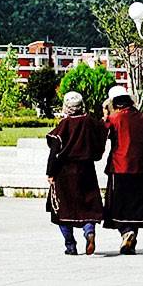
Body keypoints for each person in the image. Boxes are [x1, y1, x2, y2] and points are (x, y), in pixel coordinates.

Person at [103, 85, 143, 255]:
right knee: (138, 206)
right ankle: (132, 235)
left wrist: (105, 117)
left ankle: (126, 232)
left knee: (118, 206)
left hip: (120, 167)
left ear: (113, 103)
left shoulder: (113, 120)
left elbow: (100, 135)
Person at [46, 91, 107, 255]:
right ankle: (89, 231)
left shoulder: (64, 125)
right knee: (87, 205)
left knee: (62, 209)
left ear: (67, 108)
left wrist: (50, 173)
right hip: (86, 170)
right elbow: (102, 135)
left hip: (64, 173)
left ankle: (70, 246)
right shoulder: (91, 123)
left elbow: (54, 151)